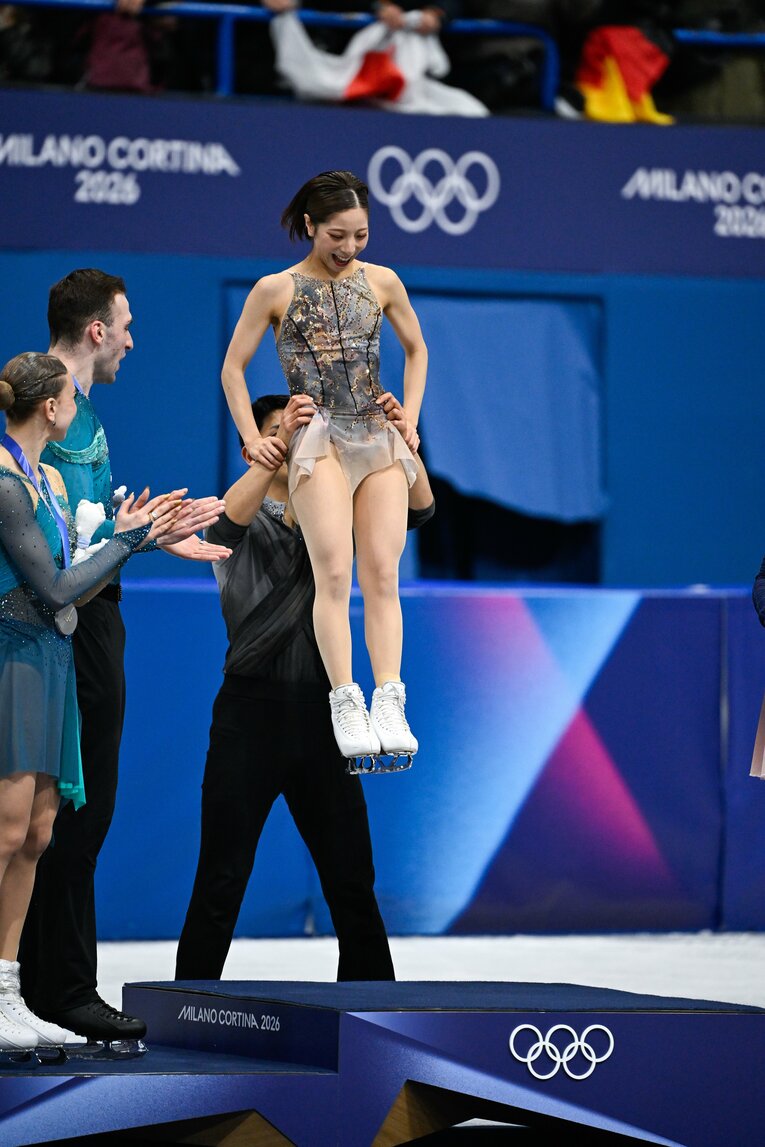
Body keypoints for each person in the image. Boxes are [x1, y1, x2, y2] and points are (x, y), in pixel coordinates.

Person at [19, 269, 229, 1047]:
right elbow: (58, 545)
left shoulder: (81, 416)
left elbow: (83, 523)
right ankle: (60, 989)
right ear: (97, 329)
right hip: (68, 630)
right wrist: (133, 537)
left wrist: (145, 531)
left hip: (87, 621)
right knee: (63, 817)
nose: (134, 340)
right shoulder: (53, 413)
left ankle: (39, 986)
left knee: (63, 817)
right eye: (127, 324)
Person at [175, 393, 434, 982]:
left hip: (326, 718)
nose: (303, 438)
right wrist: (274, 448)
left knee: (352, 881)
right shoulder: (236, 512)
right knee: (221, 876)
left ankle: (373, 1010)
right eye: (284, 429)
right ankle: (187, 1006)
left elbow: (420, 510)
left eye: (312, 428)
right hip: (249, 716)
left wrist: (402, 442)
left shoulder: (344, 513)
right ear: (255, 444)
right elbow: (225, 524)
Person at [0, 351, 180, 1055]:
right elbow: (55, 588)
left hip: (52, 661)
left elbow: (78, 566)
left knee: (39, 832)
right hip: (13, 660)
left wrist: (133, 536)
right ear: (50, 407)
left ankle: (8, 994)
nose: (77, 407)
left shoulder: (46, 479)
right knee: (7, 828)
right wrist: (127, 541)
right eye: (70, 400)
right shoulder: (6, 482)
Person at [221, 170, 427, 761]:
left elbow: (417, 349)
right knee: (334, 572)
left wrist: (410, 420)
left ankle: (389, 696)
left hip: (376, 434)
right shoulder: (275, 290)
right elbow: (233, 369)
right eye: (337, 235)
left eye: (360, 235)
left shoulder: (383, 282)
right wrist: (252, 440)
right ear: (310, 226)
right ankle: (345, 698)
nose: (349, 247)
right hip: (318, 439)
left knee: (382, 574)